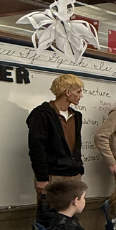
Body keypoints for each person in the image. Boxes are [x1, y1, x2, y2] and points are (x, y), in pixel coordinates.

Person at [27, 74, 85, 207]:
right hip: (52, 175)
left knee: (70, 216)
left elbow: (76, 145)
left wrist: (79, 169)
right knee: (50, 217)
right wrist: (42, 178)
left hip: (73, 174)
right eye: (78, 91)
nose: (81, 95)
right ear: (67, 92)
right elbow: (37, 147)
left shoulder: (77, 116)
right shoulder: (42, 114)